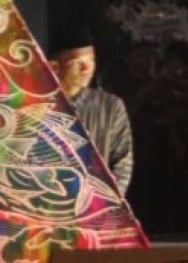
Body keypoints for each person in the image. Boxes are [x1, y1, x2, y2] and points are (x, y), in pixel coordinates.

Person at [49, 25, 134, 193]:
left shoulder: (110, 106)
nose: (87, 69)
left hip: (97, 202)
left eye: (91, 61)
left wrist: (108, 202)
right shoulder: (39, 105)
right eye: (77, 63)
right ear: (54, 67)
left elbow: (122, 161)